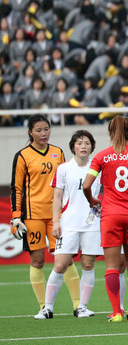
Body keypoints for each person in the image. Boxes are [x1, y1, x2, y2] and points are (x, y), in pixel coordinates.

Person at [83, 116, 128, 322]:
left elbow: (86, 185)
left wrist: (92, 199)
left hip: (110, 215)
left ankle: (117, 312)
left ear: (110, 133)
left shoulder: (101, 156)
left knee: (111, 266)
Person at [36, 130, 101, 320]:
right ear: (73, 146)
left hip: (92, 224)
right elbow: (56, 197)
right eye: (79, 143)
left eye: (87, 143)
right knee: (60, 264)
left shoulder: (99, 168)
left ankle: (82, 307)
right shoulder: (64, 168)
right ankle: (47, 308)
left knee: (88, 265)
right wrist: (56, 221)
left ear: (92, 146)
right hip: (69, 224)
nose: (83, 146)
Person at [11, 115, 67, 316]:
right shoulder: (23, 156)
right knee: (37, 261)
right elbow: (16, 188)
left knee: (65, 259)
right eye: (39, 130)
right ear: (30, 132)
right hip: (32, 215)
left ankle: (79, 305)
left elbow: (65, 183)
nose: (44, 134)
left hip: (56, 215)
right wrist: (16, 217)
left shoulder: (58, 152)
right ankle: (44, 307)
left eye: (47, 129)